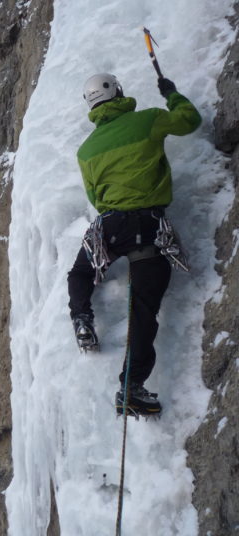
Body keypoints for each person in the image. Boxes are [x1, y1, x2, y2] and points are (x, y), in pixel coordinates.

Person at [67, 72, 202, 417]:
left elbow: (96, 198)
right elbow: (190, 120)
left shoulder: (86, 152)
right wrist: (171, 93)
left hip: (110, 226)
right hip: (147, 225)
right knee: (142, 308)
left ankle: (82, 316)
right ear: (119, 93)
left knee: (81, 271)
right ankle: (131, 387)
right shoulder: (149, 120)